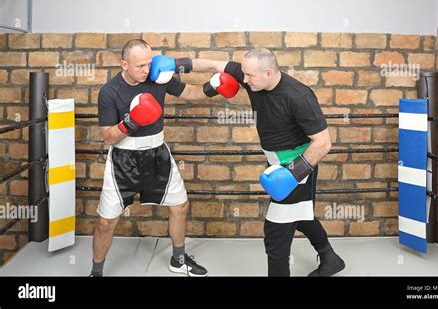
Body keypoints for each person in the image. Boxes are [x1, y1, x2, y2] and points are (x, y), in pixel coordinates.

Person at [180, 47, 346, 277]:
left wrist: (292, 174)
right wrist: (175, 64)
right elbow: (212, 65)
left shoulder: (298, 96)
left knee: (275, 236)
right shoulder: (253, 78)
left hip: (297, 167)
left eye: (249, 76)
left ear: (268, 72)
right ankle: (330, 258)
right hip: (276, 164)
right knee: (301, 216)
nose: (243, 81)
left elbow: (323, 143)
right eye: (244, 75)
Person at [92, 39, 237, 277]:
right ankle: (96, 271)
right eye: (140, 66)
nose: (147, 70)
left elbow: (191, 92)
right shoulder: (110, 91)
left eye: (149, 63)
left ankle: (178, 260)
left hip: (158, 153)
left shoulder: (159, 77)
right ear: (124, 64)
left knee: (180, 206)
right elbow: (108, 137)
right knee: (106, 222)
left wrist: (213, 86)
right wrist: (133, 120)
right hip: (123, 159)